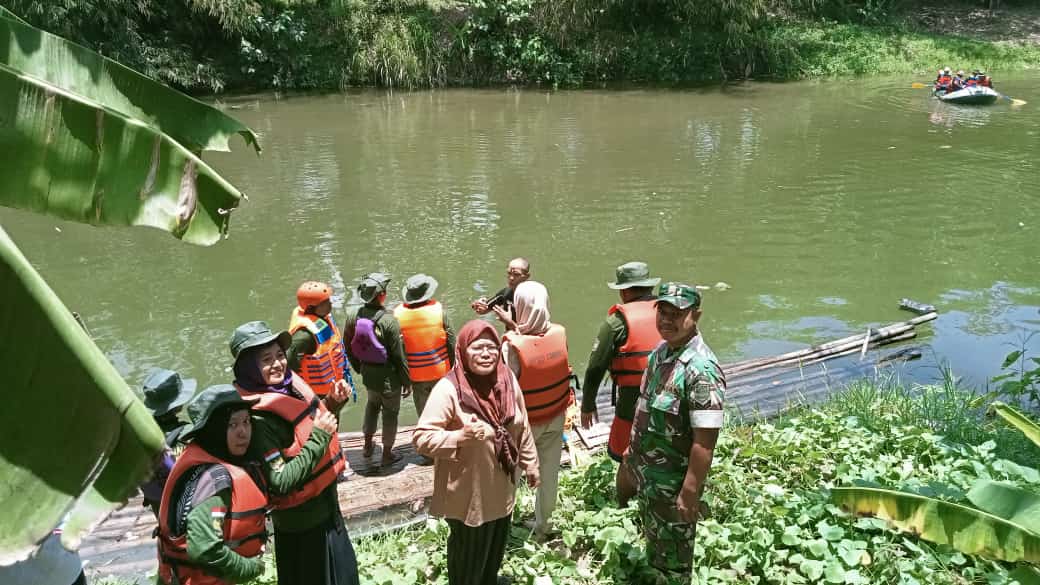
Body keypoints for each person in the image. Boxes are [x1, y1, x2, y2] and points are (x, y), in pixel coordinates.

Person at [230, 321, 358, 585]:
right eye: (266, 360)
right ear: (248, 368)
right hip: (302, 526)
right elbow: (281, 481)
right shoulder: (257, 421)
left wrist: (332, 403)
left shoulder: (287, 388)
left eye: (279, 355)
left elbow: (306, 430)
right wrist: (320, 435)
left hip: (327, 509)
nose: (277, 364)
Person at [413, 320, 539, 585]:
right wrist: (459, 437)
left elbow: (522, 423)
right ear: (462, 351)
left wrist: (530, 462)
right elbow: (422, 438)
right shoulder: (449, 389)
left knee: (495, 545)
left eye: (491, 347)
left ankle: (489, 579)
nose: (486, 353)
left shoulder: (507, 380)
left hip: (502, 487)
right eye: (477, 348)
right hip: (468, 495)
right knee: (467, 557)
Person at [621, 283, 726, 583]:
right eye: (662, 312)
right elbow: (646, 408)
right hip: (649, 477)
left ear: (696, 315)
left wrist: (690, 493)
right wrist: (632, 452)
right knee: (656, 548)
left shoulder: (701, 369)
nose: (666, 320)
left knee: (676, 566)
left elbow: (705, 443)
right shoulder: (661, 353)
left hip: (673, 485)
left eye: (676, 313)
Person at [156, 385, 268, 585]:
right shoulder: (214, 480)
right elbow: (205, 548)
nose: (243, 432)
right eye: (232, 425)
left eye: (246, 421)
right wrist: (251, 567)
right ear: (214, 428)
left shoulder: (210, 457)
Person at [500, 281, 573, 538]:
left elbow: (505, 391)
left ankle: (500, 528)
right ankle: (544, 527)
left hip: (524, 427)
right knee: (549, 474)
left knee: (508, 477)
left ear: (518, 307)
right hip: (555, 417)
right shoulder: (559, 333)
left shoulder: (511, 346)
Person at [579, 262, 662, 468]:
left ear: (624, 291)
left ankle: (627, 497)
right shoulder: (669, 312)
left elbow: (595, 367)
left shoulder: (616, 322)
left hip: (633, 399)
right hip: (672, 393)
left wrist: (588, 404)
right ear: (650, 287)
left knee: (625, 456)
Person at [344, 272, 411, 466]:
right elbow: (399, 356)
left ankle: (366, 447)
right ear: (381, 295)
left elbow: (348, 345)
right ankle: (387, 454)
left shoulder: (352, 316)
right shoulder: (389, 322)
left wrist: (358, 367)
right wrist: (407, 381)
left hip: (368, 375)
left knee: (372, 406)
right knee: (390, 414)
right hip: (389, 379)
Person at [393, 274, 456, 420]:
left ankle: (427, 438)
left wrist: (404, 379)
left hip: (416, 376)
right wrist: (455, 370)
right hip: (441, 372)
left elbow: (397, 351)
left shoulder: (397, 315)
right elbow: (452, 343)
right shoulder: (440, 312)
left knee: (425, 414)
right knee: (446, 410)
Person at [139, 367, 197, 518]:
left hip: (159, 506)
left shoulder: (142, 434)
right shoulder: (188, 433)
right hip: (187, 507)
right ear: (177, 406)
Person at [288, 281, 357, 401]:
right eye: (325, 303)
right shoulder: (304, 336)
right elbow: (288, 366)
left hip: (333, 388)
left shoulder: (324, 318)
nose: (330, 304)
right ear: (311, 308)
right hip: (316, 397)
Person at [470, 257, 530, 331]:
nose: (511, 278)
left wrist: (510, 323)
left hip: (530, 339)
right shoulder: (506, 293)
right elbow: (483, 310)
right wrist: (477, 305)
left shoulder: (532, 297)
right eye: (509, 273)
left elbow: (536, 329)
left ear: (527, 276)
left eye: (516, 274)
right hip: (510, 336)